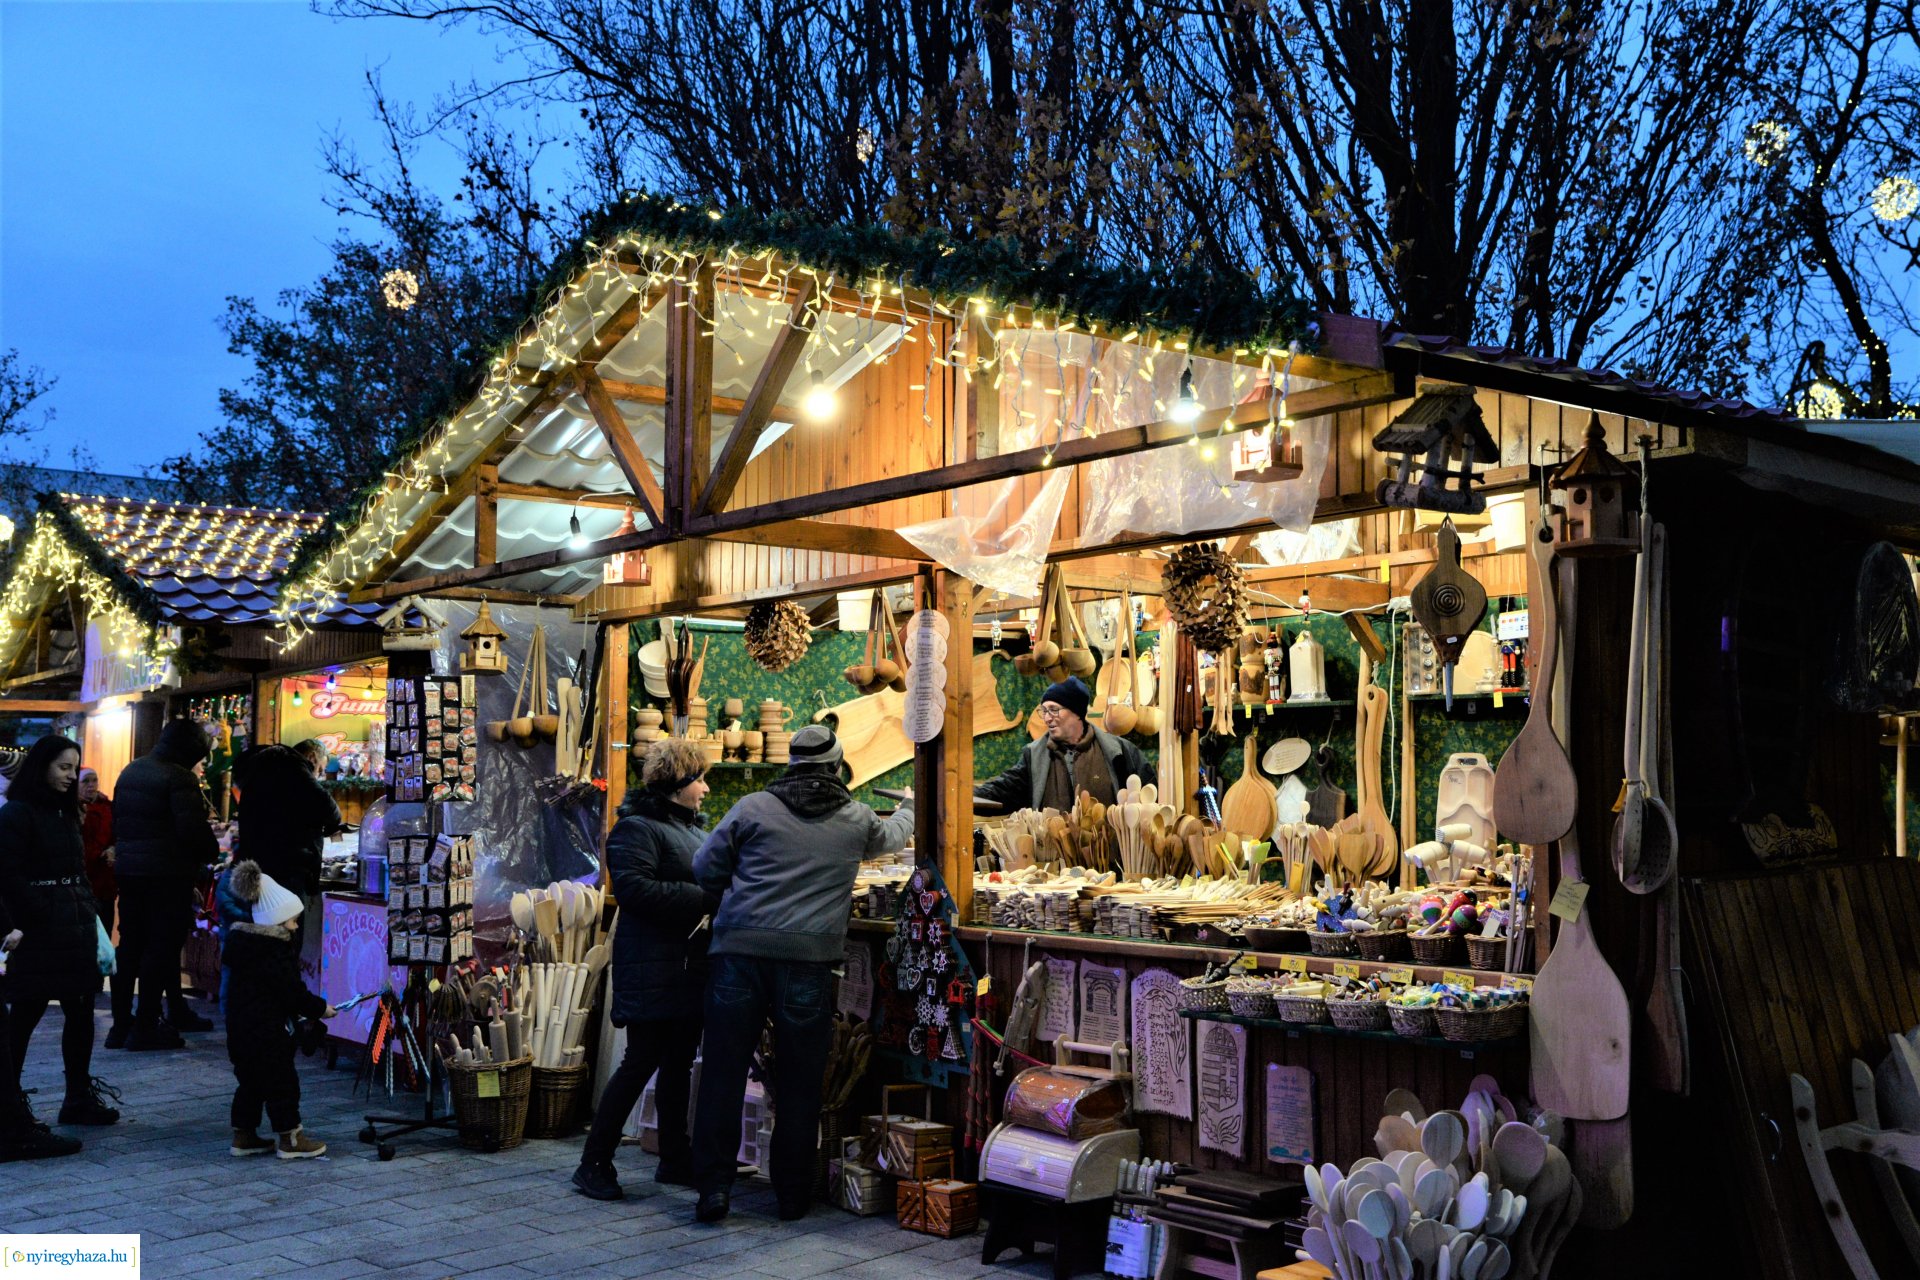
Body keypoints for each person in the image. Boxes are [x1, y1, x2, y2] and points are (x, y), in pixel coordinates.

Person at [689, 725, 913, 1224]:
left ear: (790, 765)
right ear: (837, 767)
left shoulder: (751, 808)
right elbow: (894, 837)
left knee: (723, 1075)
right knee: (800, 1082)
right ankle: (791, 1195)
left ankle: (714, 1191)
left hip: (738, 956)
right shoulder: (856, 818)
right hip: (809, 965)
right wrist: (911, 807)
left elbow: (704, 867)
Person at [572, 738, 717, 1202]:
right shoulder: (636, 829)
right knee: (640, 1063)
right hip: (652, 966)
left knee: (677, 1064)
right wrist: (708, 898)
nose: (707, 790)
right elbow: (634, 891)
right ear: (679, 785)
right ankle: (593, 1162)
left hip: (686, 965)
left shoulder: (689, 830)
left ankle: (675, 1157)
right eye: (700, 780)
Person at [0, 735, 119, 1135]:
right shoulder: (18, 813)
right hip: (40, 928)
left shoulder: (66, 811)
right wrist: (31, 916)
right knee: (26, 1012)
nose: (70, 775)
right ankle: (9, 1105)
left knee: (81, 1009)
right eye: (63, 767)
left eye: (74, 767)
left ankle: (78, 1096)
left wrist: (86, 910)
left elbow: (76, 869)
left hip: (76, 922)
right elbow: (8, 874)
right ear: (42, 766)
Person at [110, 719, 219, 1049]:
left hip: (130, 872)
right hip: (167, 875)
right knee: (161, 948)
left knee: (129, 947)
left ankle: (120, 1026)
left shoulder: (132, 770)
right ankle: (145, 1027)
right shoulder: (178, 776)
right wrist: (209, 852)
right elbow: (191, 832)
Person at [219, 860, 333, 1159]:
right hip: (268, 1033)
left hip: (241, 1031)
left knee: (250, 1084)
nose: (296, 927)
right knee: (282, 1084)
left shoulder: (243, 947)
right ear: (278, 922)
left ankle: (242, 1135)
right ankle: (290, 1139)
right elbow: (291, 993)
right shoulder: (275, 951)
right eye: (293, 921)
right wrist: (320, 1009)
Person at [973, 676, 1147, 812]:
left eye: (1054, 710)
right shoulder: (1033, 756)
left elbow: (1149, 798)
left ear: (1077, 713)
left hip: (1104, 855)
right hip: (1051, 856)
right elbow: (1003, 790)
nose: (1047, 717)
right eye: (1044, 710)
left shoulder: (1119, 752)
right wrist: (967, 795)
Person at [231, 744, 344, 903]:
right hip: (289, 867)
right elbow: (329, 809)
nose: (319, 775)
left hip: (260, 862)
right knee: (289, 922)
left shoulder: (261, 772)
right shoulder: (293, 769)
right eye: (320, 769)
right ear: (312, 757)